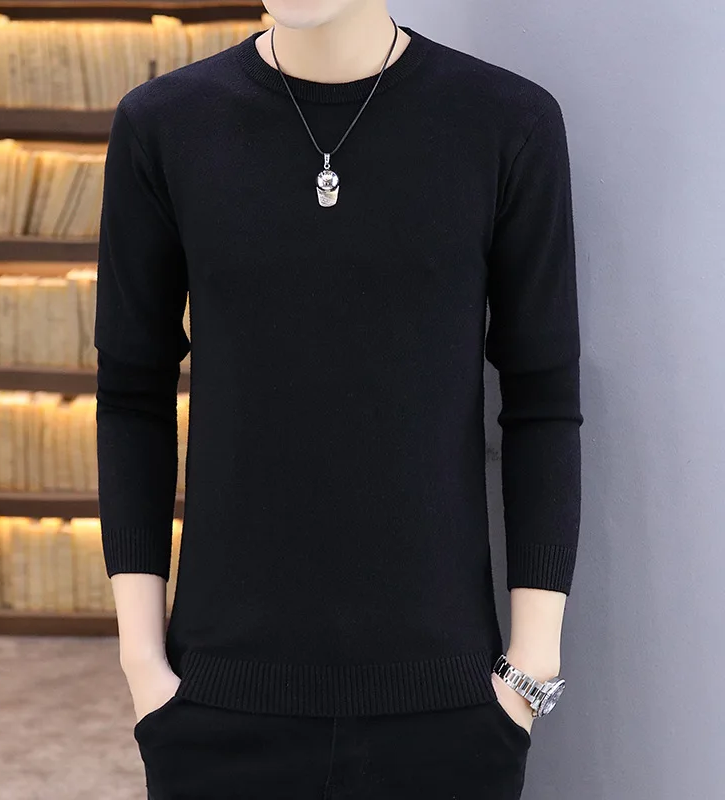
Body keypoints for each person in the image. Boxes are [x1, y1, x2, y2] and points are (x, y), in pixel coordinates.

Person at [94, 1, 583, 797]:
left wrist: (529, 673)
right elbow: (131, 395)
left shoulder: (505, 120)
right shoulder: (165, 124)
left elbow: (542, 401)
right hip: (215, 708)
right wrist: (143, 667)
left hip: (451, 713)